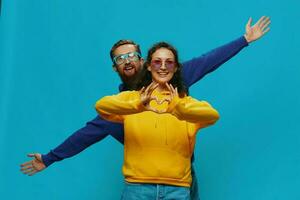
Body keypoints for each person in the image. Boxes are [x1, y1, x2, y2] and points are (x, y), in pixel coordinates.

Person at [20, 16, 271, 199]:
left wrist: (244, 40)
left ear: (143, 61)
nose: (127, 60)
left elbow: (208, 61)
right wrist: (50, 158)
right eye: (120, 58)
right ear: (115, 68)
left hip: (180, 178)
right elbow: (85, 135)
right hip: (140, 184)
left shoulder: (173, 77)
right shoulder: (118, 108)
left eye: (131, 55)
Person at [95, 41, 220, 199]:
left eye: (169, 62)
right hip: (137, 188)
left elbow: (212, 115)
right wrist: (137, 105)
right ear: (148, 66)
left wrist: (177, 108)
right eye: (157, 61)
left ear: (175, 68)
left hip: (177, 190)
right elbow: (101, 106)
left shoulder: (184, 102)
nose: (163, 67)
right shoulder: (133, 98)